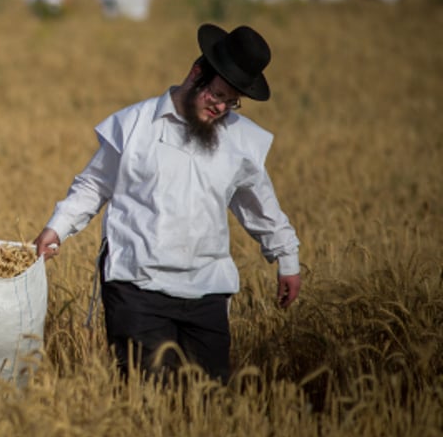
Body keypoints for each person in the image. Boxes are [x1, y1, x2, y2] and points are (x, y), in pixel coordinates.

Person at [33, 24, 301, 383]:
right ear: (195, 74)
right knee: (148, 397)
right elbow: (94, 185)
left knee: (206, 401)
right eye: (217, 94)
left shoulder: (241, 141)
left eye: (231, 101)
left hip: (207, 288)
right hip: (137, 285)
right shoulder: (134, 125)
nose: (221, 107)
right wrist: (57, 228)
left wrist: (287, 258)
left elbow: (261, 205)